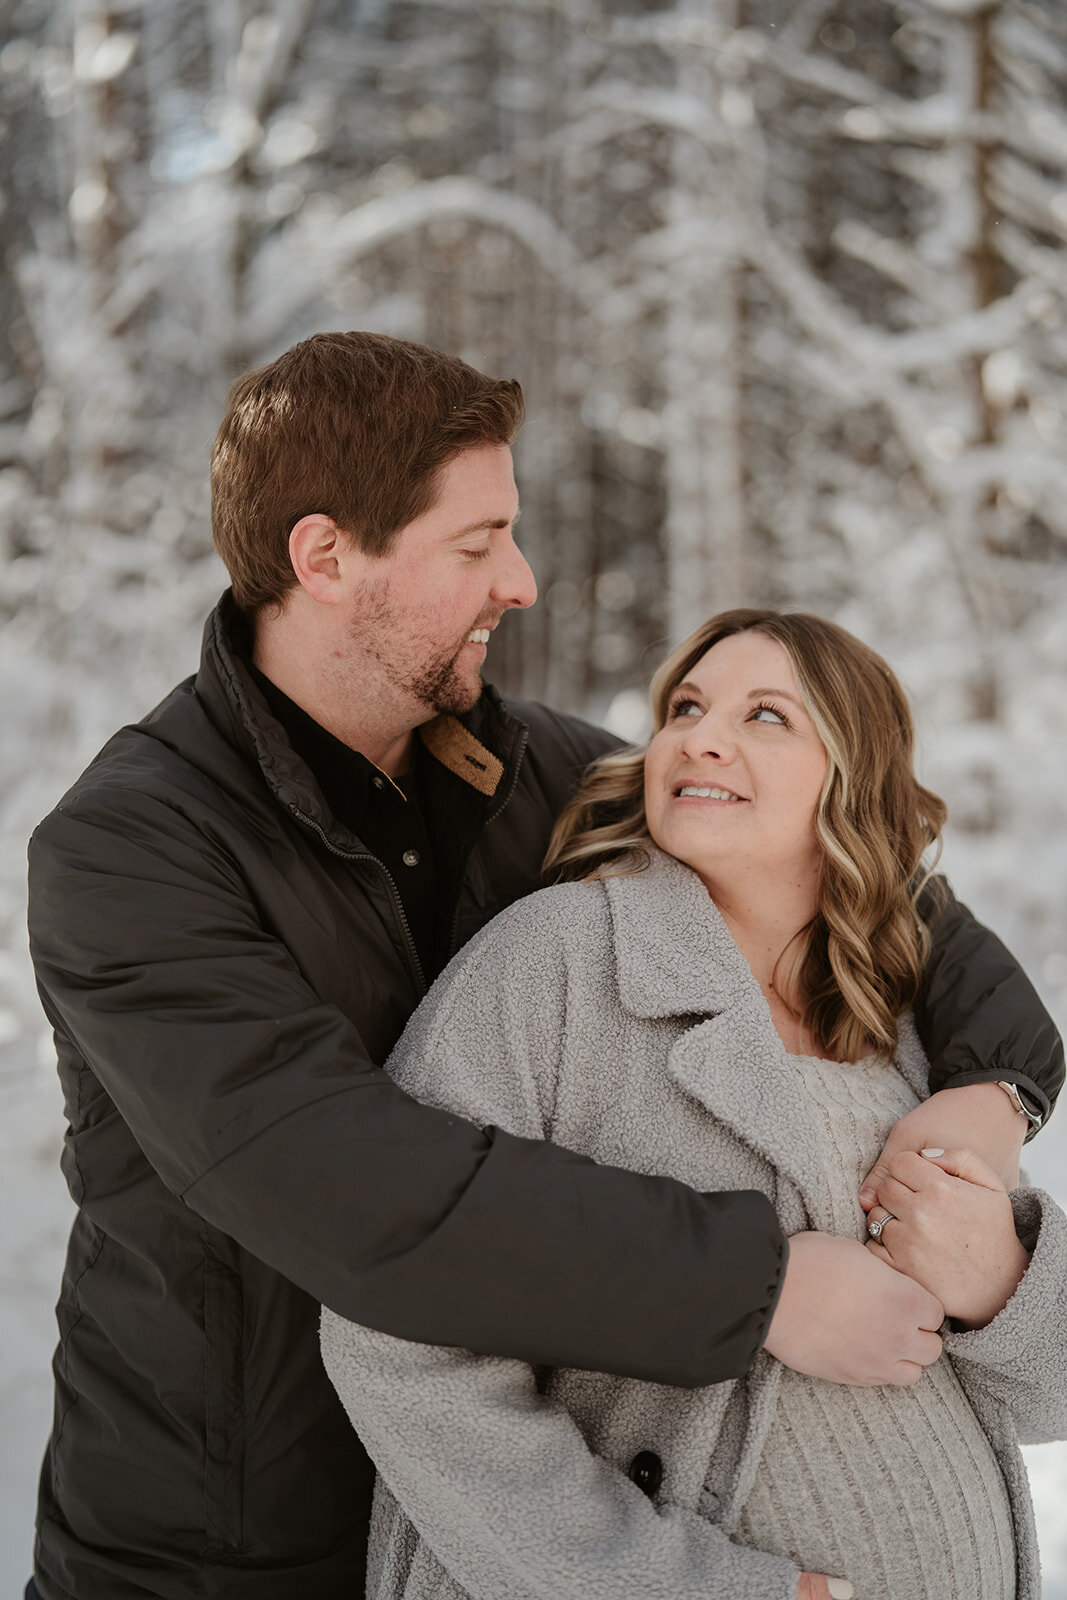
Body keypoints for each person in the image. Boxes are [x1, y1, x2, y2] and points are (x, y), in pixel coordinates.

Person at [25, 334, 1060, 1600]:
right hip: (224, 1549)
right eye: (476, 545)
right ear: (325, 557)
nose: (520, 580)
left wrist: (994, 1088)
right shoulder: (129, 851)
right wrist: (760, 1283)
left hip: (499, 1528)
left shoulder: (548, 779)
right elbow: (344, 1184)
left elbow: (872, 880)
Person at [322, 608, 1067, 1600]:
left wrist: (999, 1283)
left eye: (765, 714)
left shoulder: (902, 1019)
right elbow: (392, 1332)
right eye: (683, 706)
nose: (695, 735)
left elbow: (1048, 1393)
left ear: (854, 776)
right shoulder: (553, 964)